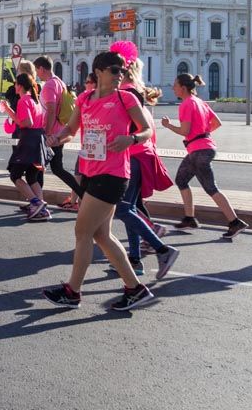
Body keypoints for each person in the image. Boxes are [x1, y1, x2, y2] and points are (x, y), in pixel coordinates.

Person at [42, 50, 158, 311]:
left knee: (82, 231)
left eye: (123, 71)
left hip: (114, 175)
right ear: (99, 72)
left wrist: (132, 139)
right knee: (102, 236)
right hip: (91, 172)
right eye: (115, 70)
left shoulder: (126, 98)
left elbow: (148, 130)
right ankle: (134, 288)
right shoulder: (84, 99)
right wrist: (56, 138)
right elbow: (71, 130)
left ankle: (73, 291)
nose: (120, 75)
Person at [113, 56, 180, 279]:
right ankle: (135, 260)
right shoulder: (135, 90)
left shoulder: (127, 93)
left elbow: (133, 127)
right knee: (128, 208)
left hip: (134, 156)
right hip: (139, 155)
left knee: (123, 209)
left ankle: (162, 250)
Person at [160, 73, 248, 238]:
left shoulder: (186, 104)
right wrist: (201, 135)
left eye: (175, 85)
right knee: (181, 180)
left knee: (211, 188)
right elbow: (216, 123)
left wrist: (168, 125)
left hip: (199, 151)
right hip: (202, 148)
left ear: (183, 88)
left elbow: (184, 131)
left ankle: (235, 222)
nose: (173, 88)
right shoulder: (200, 102)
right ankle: (189, 218)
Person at [0, 73, 50, 221]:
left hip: (28, 141)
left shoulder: (23, 101)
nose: (14, 87)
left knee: (15, 174)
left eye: (15, 84)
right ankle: (41, 208)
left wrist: (12, 114)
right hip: (38, 140)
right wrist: (8, 109)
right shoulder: (35, 100)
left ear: (19, 86)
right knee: (32, 176)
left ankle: (36, 203)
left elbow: (26, 122)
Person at [35, 56, 84, 210]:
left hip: (51, 133)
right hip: (60, 131)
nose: (37, 74)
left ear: (42, 68)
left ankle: (37, 202)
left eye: (37, 70)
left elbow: (50, 110)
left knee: (39, 167)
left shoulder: (49, 85)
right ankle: (83, 194)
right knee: (57, 168)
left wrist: (47, 133)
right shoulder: (60, 83)